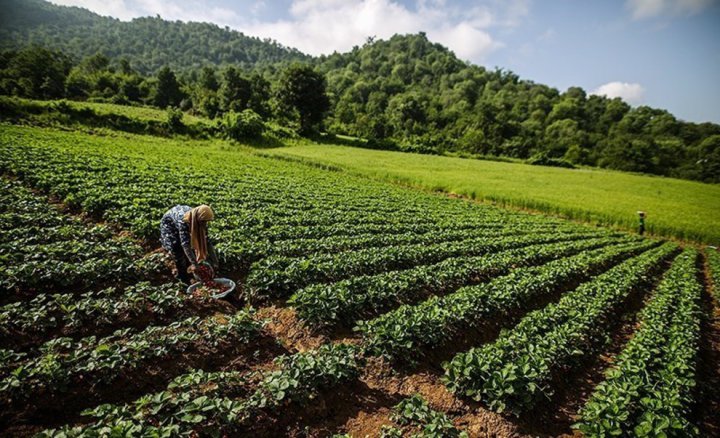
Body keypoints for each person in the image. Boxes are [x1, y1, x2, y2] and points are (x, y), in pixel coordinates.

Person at [160, 204, 219, 284]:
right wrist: (195, 264)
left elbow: (207, 241)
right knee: (177, 250)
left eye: (206, 222)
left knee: (190, 252)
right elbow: (185, 244)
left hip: (182, 222)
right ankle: (183, 277)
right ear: (199, 218)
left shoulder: (199, 219)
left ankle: (190, 270)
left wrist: (215, 260)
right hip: (170, 226)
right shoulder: (184, 221)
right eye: (204, 222)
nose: (205, 224)